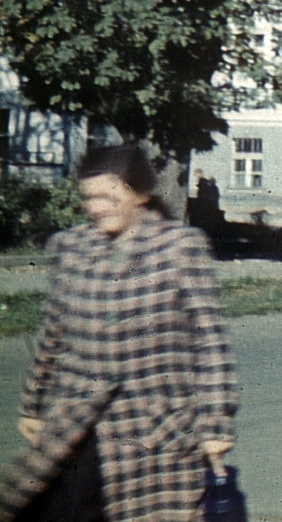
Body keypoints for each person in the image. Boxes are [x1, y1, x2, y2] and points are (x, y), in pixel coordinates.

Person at [0, 145, 238, 522]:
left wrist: (215, 424)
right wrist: (33, 403)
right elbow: (53, 335)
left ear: (140, 195)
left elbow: (209, 344)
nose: (96, 207)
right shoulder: (71, 248)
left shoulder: (179, 249)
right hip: (77, 424)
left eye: (109, 196)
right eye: (89, 197)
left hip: (155, 432)